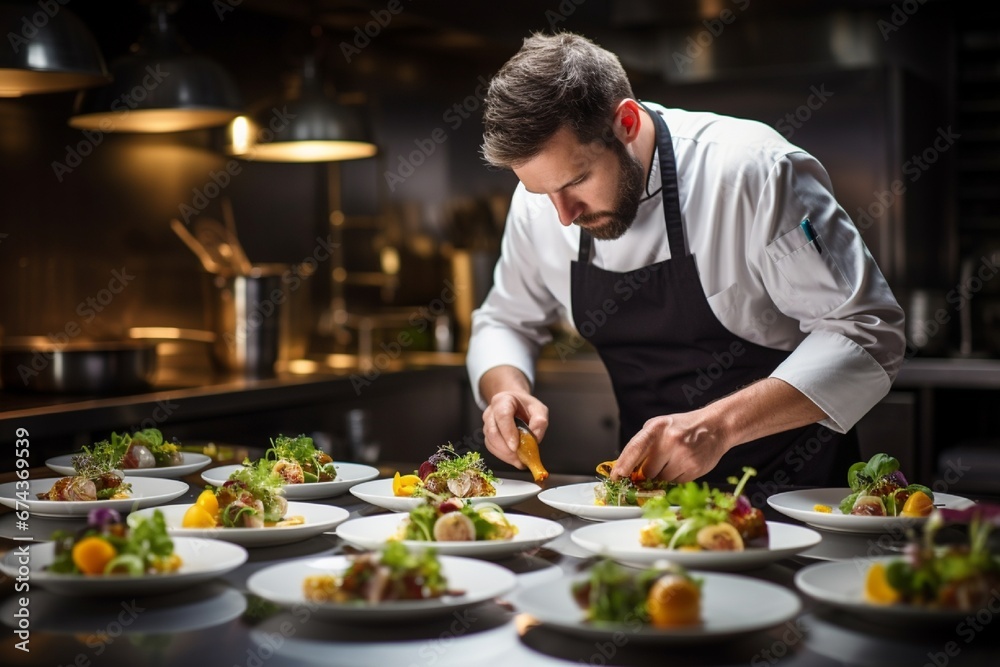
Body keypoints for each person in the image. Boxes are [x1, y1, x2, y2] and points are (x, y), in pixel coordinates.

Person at [466, 32, 906, 486]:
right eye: (543, 192)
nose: (563, 215)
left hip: (796, 494)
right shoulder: (539, 203)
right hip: (650, 502)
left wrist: (719, 426)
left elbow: (867, 333)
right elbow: (505, 320)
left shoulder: (753, 171)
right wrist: (506, 392)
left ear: (627, 123)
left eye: (577, 180)